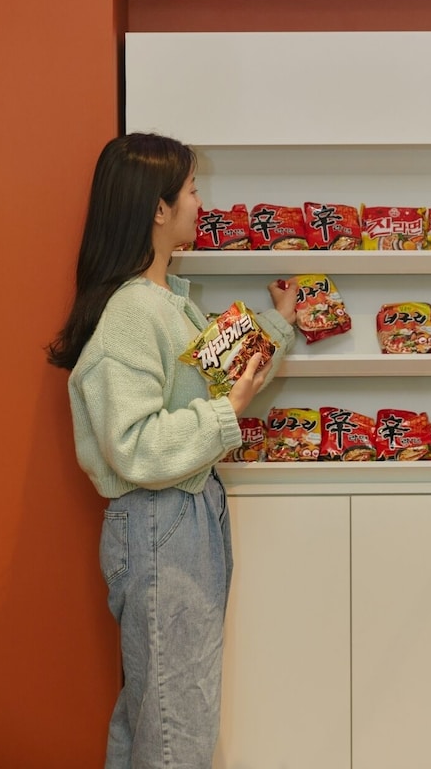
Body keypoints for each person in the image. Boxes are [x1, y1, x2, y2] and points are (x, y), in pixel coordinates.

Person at [47, 132, 297, 769]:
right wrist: (225, 413)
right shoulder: (134, 312)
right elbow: (133, 445)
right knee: (174, 728)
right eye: (190, 189)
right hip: (163, 520)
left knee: (155, 718)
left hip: (179, 518)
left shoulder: (166, 303)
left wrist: (279, 322)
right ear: (158, 209)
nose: (199, 201)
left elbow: (227, 375)